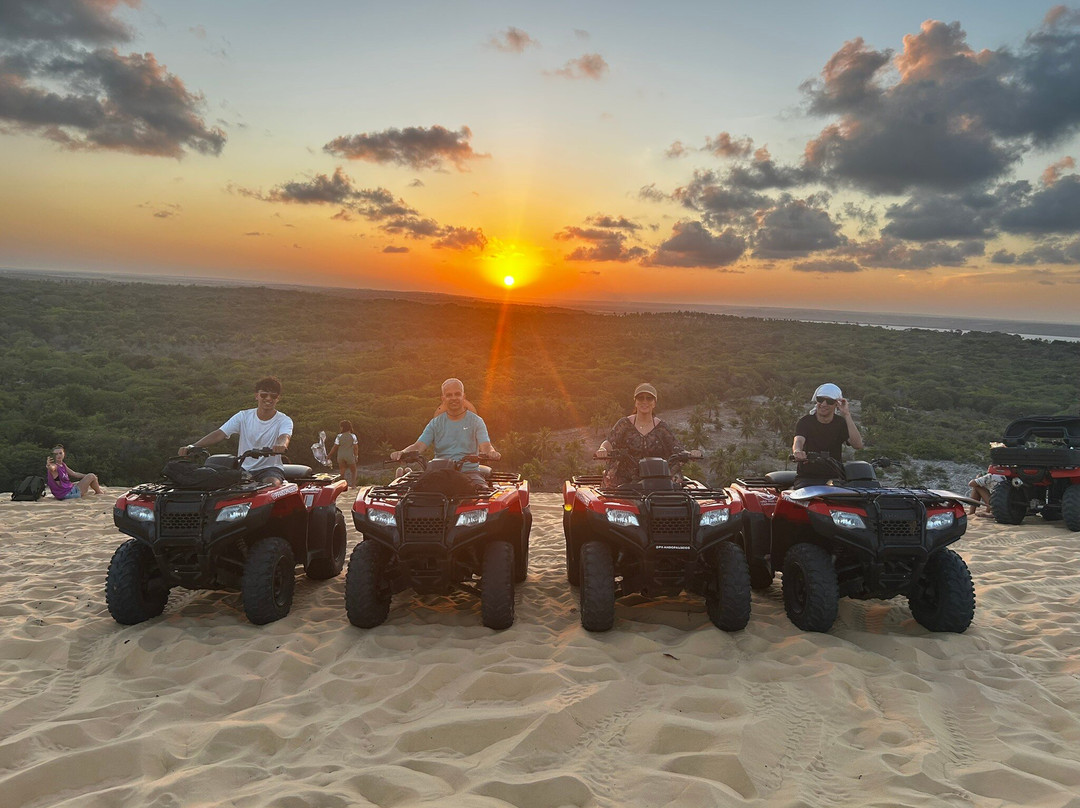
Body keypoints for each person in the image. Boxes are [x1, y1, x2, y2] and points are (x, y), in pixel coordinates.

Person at [179, 376, 293, 484]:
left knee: (271, 484)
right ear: (256, 396)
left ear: (278, 398)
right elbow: (220, 434)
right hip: (244, 468)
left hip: (270, 469)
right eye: (264, 394)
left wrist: (281, 445)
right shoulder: (243, 416)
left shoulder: (284, 420)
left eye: (273, 396)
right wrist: (193, 446)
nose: (268, 398)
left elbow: (284, 436)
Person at [391, 378, 500, 487]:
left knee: (482, 494)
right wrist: (403, 452)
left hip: (468, 473)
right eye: (449, 395)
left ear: (464, 396)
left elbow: (485, 445)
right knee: (414, 495)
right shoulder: (435, 423)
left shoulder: (476, 421)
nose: (453, 398)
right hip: (439, 473)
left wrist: (491, 452)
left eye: (457, 394)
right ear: (443, 399)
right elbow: (419, 446)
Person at [596, 383, 688, 488]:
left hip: (655, 480)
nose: (644, 401)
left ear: (654, 403)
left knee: (677, 492)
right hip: (624, 480)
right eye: (640, 398)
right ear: (635, 402)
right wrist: (602, 449)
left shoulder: (662, 427)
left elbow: (676, 447)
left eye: (649, 398)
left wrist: (689, 454)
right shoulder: (624, 424)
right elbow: (609, 442)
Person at [792, 382, 865, 485]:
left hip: (835, 478)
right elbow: (798, 440)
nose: (824, 404)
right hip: (808, 477)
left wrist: (847, 414)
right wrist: (798, 451)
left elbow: (858, 445)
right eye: (821, 400)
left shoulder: (840, 423)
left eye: (830, 401)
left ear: (836, 404)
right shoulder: (805, 422)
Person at [328, 420, 359, 488]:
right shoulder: (353, 436)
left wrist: (329, 455)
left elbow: (335, 447)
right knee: (353, 471)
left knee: (342, 472)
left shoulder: (339, 436)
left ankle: (342, 486)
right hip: (350, 455)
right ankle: (353, 485)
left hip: (341, 455)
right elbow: (355, 447)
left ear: (342, 427)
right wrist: (356, 456)